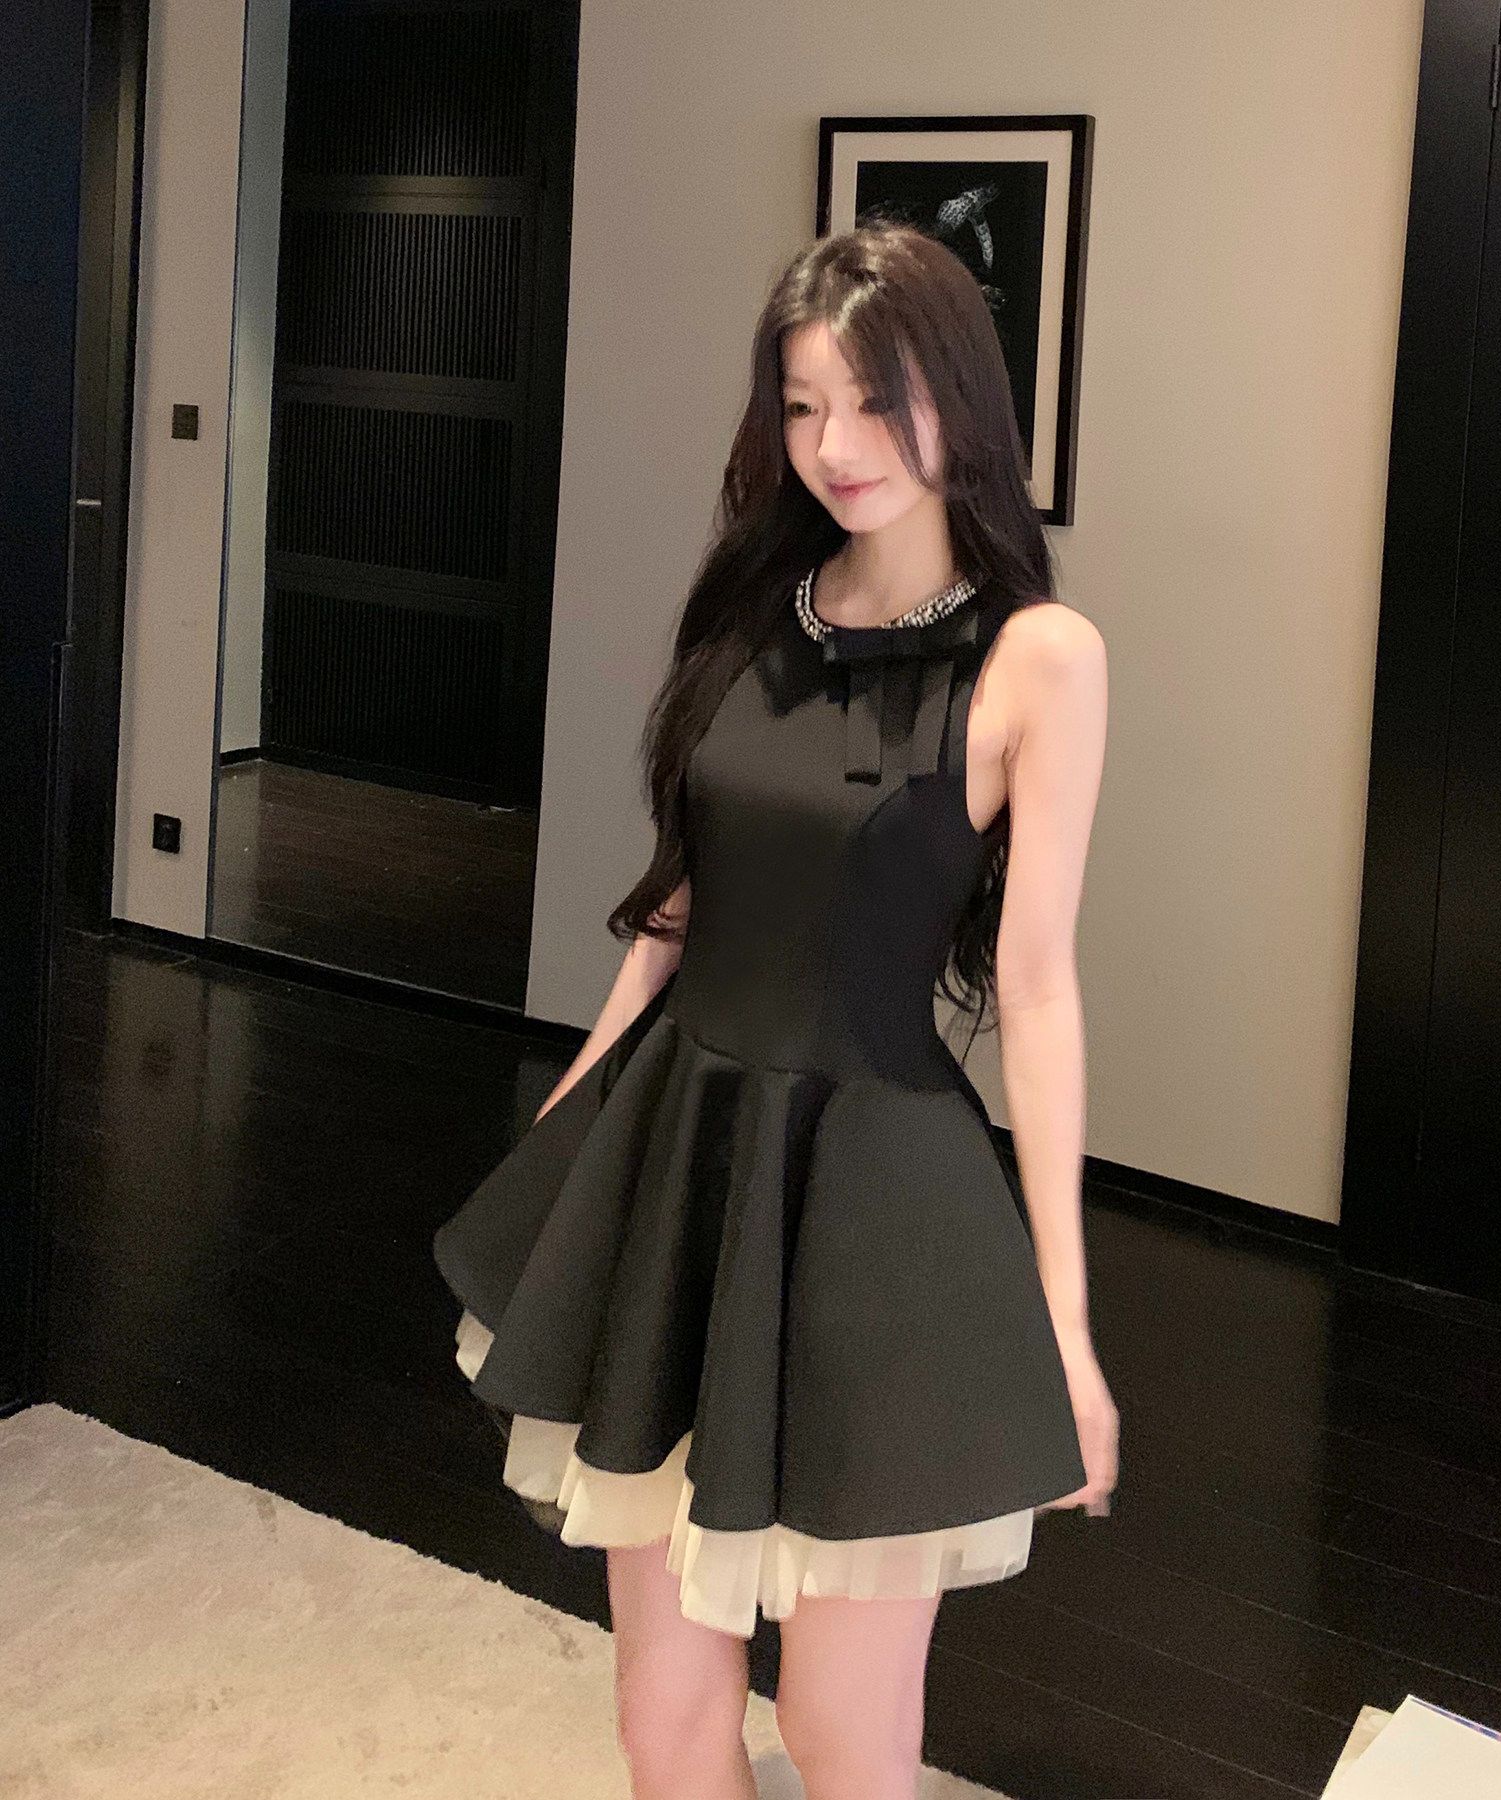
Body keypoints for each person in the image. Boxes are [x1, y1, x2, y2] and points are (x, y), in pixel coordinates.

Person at [433, 218, 1117, 1800]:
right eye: (803, 406)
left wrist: (1066, 1324)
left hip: (875, 1195)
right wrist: (564, 1140)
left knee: (840, 1731)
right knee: (662, 1719)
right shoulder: (754, 609)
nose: (836, 446)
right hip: (679, 1161)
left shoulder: (1040, 659)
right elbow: (678, 917)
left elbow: (1037, 988)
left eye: (878, 402)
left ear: (962, 400)